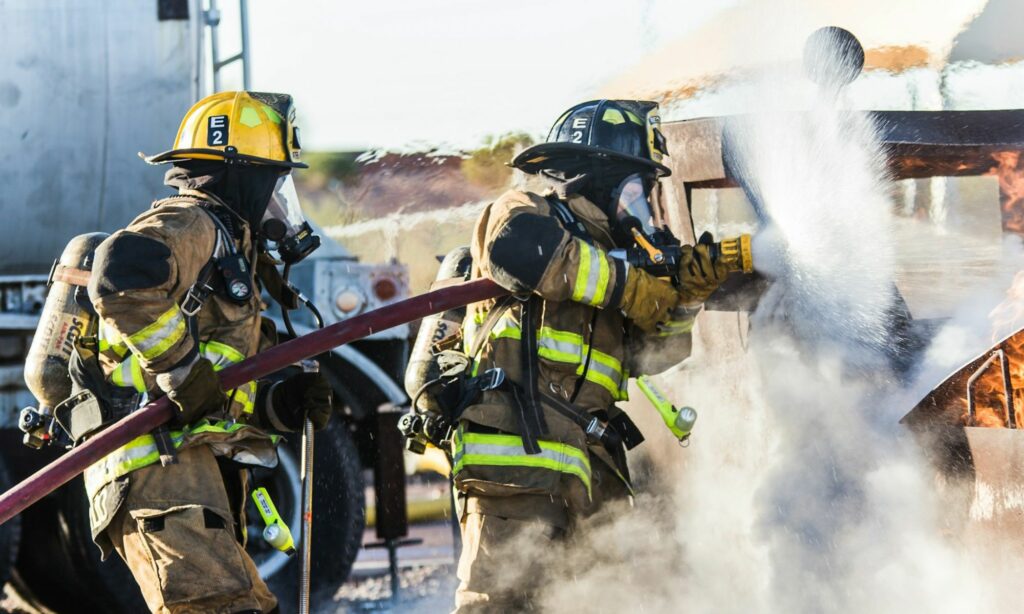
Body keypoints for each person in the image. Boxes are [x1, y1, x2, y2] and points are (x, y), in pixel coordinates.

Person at [450, 99, 745, 611]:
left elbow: (655, 353)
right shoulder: (525, 212)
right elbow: (519, 250)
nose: (645, 211)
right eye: (637, 191)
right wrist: (631, 285)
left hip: (590, 472)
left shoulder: (613, 259)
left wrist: (688, 295)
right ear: (597, 179)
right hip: (515, 473)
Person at [82, 91, 332, 613]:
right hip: (157, 468)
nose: (280, 203)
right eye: (274, 182)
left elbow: (218, 384)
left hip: (189, 469)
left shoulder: (232, 249)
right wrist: (180, 368)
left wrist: (278, 404)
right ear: (240, 174)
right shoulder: (192, 222)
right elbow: (118, 273)